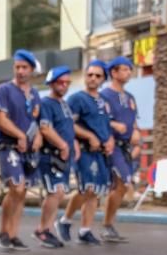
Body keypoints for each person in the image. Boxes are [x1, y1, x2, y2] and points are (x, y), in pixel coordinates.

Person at [0, 49, 42, 251]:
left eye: (25, 67)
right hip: (9, 146)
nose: (20, 71)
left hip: (29, 150)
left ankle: (13, 234)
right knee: (17, 187)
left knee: (22, 193)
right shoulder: (4, 90)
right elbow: (2, 120)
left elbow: (37, 120)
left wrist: (38, 136)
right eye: (17, 67)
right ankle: (3, 231)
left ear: (31, 70)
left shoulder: (35, 93)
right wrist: (20, 135)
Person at [59, 60, 112, 245]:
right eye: (90, 75)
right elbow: (68, 123)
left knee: (95, 192)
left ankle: (85, 230)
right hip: (83, 151)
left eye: (98, 76)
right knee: (86, 188)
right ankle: (65, 220)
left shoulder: (104, 101)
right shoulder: (76, 99)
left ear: (103, 78)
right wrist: (89, 136)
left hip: (101, 153)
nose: (93, 78)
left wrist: (110, 140)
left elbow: (106, 125)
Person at [99, 56, 140, 243]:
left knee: (120, 186)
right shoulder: (104, 95)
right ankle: (106, 225)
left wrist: (136, 131)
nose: (128, 72)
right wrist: (115, 125)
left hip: (126, 147)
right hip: (112, 145)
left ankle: (107, 224)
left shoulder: (130, 98)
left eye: (129, 69)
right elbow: (98, 119)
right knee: (122, 183)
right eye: (124, 69)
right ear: (114, 73)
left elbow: (133, 119)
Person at [36, 66, 77, 248]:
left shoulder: (64, 104)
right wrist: (61, 144)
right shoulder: (46, 103)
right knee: (56, 192)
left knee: (59, 193)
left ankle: (48, 229)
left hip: (64, 155)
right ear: (52, 83)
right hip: (50, 155)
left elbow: (68, 128)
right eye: (61, 82)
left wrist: (73, 144)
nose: (64, 85)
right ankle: (43, 230)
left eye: (67, 82)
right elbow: (45, 128)